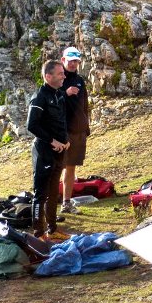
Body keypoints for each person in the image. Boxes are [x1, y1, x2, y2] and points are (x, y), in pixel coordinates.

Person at [26, 59, 68, 237]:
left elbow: (60, 120)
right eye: (60, 74)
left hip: (59, 152)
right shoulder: (40, 97)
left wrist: (66, 140)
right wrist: (52, 141)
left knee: (53, 192)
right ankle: (39, 233)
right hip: (44, 151)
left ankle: (53, 228)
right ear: (48, 76)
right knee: (40, 193)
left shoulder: (58, 94)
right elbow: (31, 125)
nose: (64, 76)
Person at [59, 46, 91, 212]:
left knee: (71, 167)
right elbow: (49, 100)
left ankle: (66, 202)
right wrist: (66, 92)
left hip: (78, 131)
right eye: (70, 61)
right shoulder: (57, 78)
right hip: (61, 132)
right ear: (63, 60)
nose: (73, 64)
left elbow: (84, 104)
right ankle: (49, 202)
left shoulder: (79, 80)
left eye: (76, 61)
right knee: (57, 167)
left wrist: (86, 126)